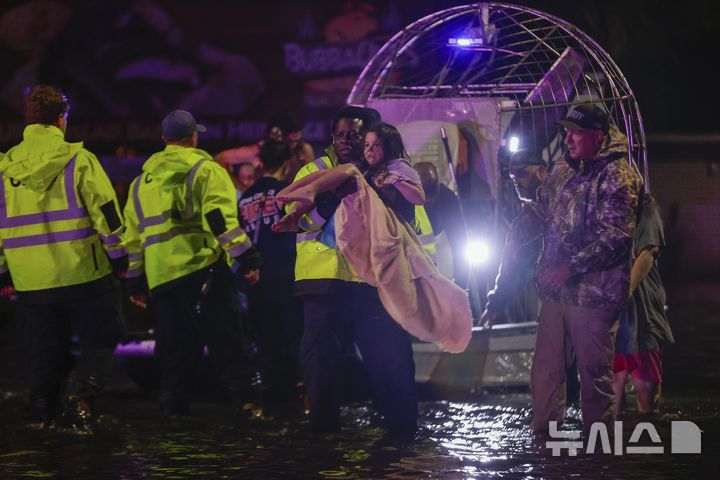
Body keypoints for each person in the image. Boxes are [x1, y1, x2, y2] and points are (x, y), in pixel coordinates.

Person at [277, 107, 419, 435]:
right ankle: (323, 436)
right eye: (339, 134)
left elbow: (411, 226)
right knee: (321, 364)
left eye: (354, 135)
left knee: (392, 362)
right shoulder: (316, 170)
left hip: (372, 283)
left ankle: (403, 436)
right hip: (323, 282)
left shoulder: (390, 173)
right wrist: (330, 199)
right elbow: (296, 221)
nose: (346, 141)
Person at [0, 85, 127, 431]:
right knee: (101, 338)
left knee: (44, 350)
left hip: (30, 282)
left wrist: (4, 273)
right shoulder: (78, 160)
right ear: (61, 119)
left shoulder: (4, 167)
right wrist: (120, 259)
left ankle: (39, 414)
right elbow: (108, 215)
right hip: (83, 275)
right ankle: (79, 399)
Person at [123, 110, 262, 416]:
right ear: (194, 137)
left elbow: (133, 239)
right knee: (228, 342)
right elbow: (219, 220)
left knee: (173, 351)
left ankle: (172, 411)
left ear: (164, 139)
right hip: (204, 270)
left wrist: (135, 281)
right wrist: (248, 258)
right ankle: (249, 407)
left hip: (162, 279)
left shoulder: (139, 184)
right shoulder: (206, 170)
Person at [531, 104, 642, 434]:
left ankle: (599, 453)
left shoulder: (619, 175)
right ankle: (545, 445)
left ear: (597, 136)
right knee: (546, 370)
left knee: (594, 376)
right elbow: (542, 209)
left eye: (576, 132)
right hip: (556, 292)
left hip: (595, 293)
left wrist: (570, 267)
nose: (568, 139)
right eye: (566, 132)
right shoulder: (563, 169)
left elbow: (618, 236)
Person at [238, 139, 304, 399]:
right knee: (294, 334)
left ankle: (269, 392)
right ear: (286, 163)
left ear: (261, 164)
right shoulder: (288, 191)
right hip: (287, 273)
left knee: (265, 337)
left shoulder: (245, 197)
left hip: (256, 275)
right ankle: (301, 392)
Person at [613, 193, 674, 416]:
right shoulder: (601, 207)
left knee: (646, 395)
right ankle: (607, 444)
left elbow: (648, 252)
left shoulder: (646, 207)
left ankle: (645, 436)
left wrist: (626, 290)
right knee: (610, 392)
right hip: (614, 317)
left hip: (642, 311)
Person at [480, 149, 547, 328]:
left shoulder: (565, 205)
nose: (516, 181)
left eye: (522, 173)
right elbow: (511, 265)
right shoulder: (526, 219)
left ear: (541, 171)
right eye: (512, 176)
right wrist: (494, 306)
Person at [414, 162, 468, 287]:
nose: (429, 202)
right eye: (425, 197)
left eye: (432, 197)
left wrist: (461, 282)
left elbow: (459, 239)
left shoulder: (448, 199)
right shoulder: (404, 199)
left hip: (441, 246)